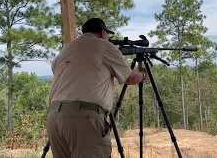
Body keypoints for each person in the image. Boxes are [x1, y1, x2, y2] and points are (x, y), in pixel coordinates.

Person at [46, 18, 147, 158]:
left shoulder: (67, 49)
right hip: (84, 119)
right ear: (102, 33)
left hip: (54, 118)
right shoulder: (104, 46)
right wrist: (143, 73)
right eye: (108, 35)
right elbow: (130, 78)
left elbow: (57, 70)